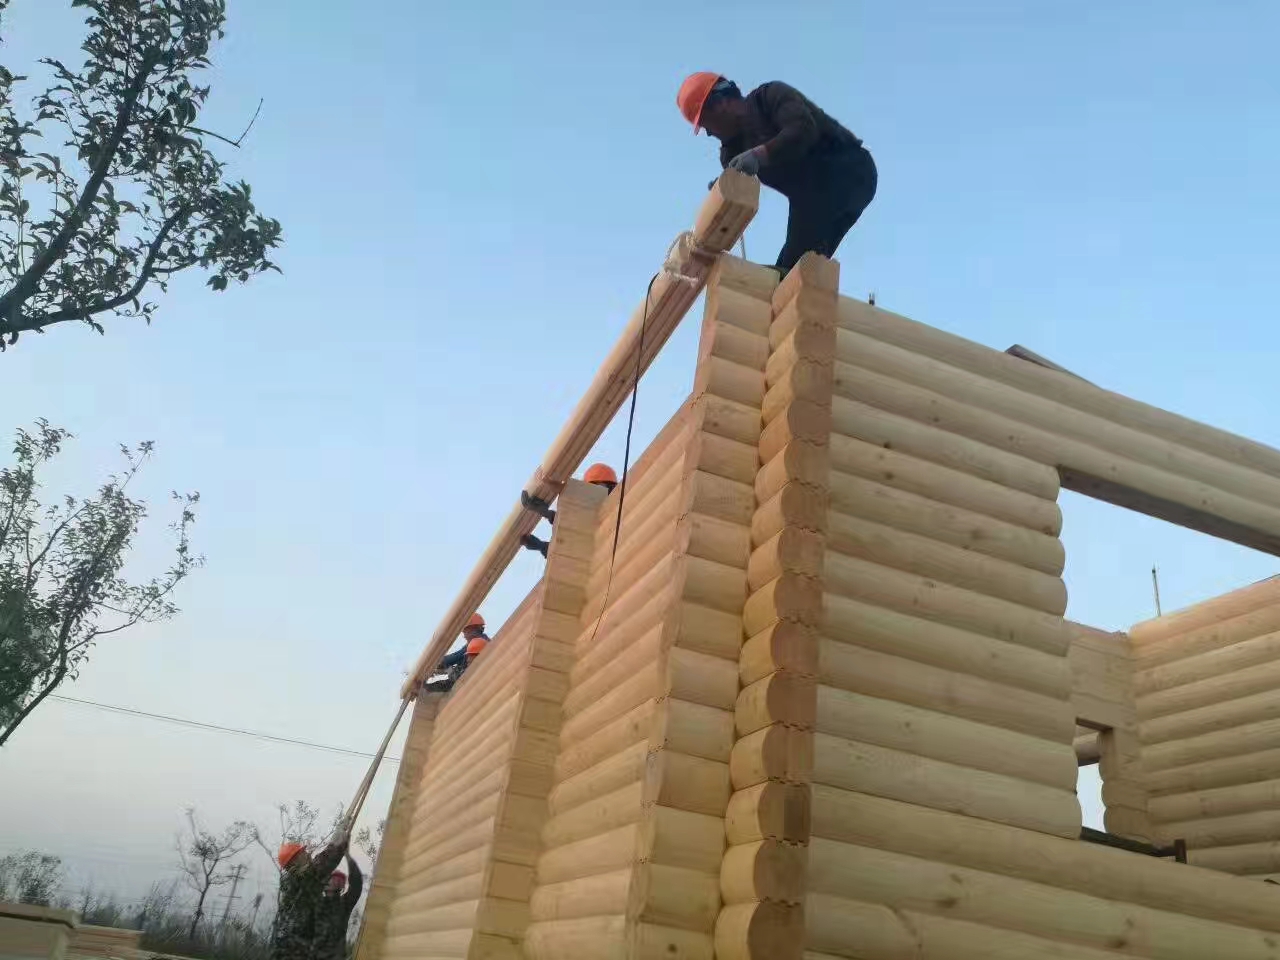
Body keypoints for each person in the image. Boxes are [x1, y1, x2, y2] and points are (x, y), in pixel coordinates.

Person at [676, 72, 877, 273]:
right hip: (811, 197)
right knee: (795, 273)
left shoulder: (769, 98)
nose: (709, 133)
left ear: (720, 104)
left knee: (789, 269)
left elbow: (803, 130)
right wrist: (723, 192)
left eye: (706, 124)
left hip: (850, 171)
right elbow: (740, 192)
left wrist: (759, 155)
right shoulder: (731, 151)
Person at [272, 833, 348, 960]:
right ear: (295, 861)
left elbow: (317, 864)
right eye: (303, 853)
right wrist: (338, 842)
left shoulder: (294, 882)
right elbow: (324, 862)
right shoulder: (302, 880)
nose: (307, 854)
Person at [521, 463, 619, 557]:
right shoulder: (594, 504)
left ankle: (538, 544)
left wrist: (547, 482)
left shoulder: (609, 502)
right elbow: (572, 495)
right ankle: (538, 544)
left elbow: (571, 492)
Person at [313, 855, 363, 960]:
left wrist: (349, 858)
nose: (337, 881)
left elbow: (357, 884)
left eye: (340, 880)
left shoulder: (345, 903)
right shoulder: (316, 903)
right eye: (334, 878)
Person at [423, 613, 490, 692]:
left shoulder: (477, 643)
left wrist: (435, 662)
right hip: (468, 676)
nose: (464, 636)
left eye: (465, 632)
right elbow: (459, 658)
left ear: (472, 629)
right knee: (446, 670)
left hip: (464, 679)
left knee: (442, 681)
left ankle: (425, 689)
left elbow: (454, 657)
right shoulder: (484, 640)